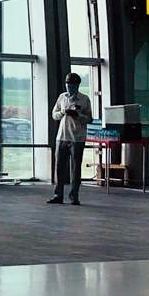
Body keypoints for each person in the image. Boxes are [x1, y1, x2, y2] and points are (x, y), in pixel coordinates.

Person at [47, 72, 94, 206]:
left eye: (72, 85)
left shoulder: (84, 99)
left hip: (77, 138)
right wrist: (63, 112)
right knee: (59, 167)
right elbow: (54, 115)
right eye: (67, 85)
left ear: (77, 85)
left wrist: (78, 115)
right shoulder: (62, 97)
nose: (69, 88)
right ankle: (58, 194)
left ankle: (74, 196)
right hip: (61, 137)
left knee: (75, 168)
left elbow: (89, 118)